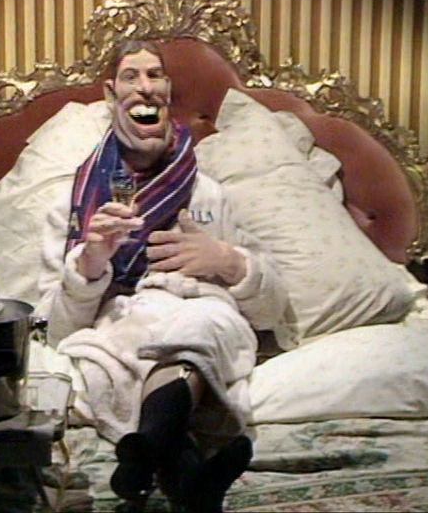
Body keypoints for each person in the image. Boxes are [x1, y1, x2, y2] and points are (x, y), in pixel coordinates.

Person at [36, 39, 288, 512]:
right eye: (131, 76)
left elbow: (273, 311)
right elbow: (54, 331)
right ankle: (179, 469)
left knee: (198, 328)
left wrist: (226, 261)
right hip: (121, 330)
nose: (145, 88)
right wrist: (91, 263)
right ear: (111, 94)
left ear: (168, 93)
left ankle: (142, 456)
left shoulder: (209, 194)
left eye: (155, 76)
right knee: (107, 360)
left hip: (200, 316)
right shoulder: (74, 203)